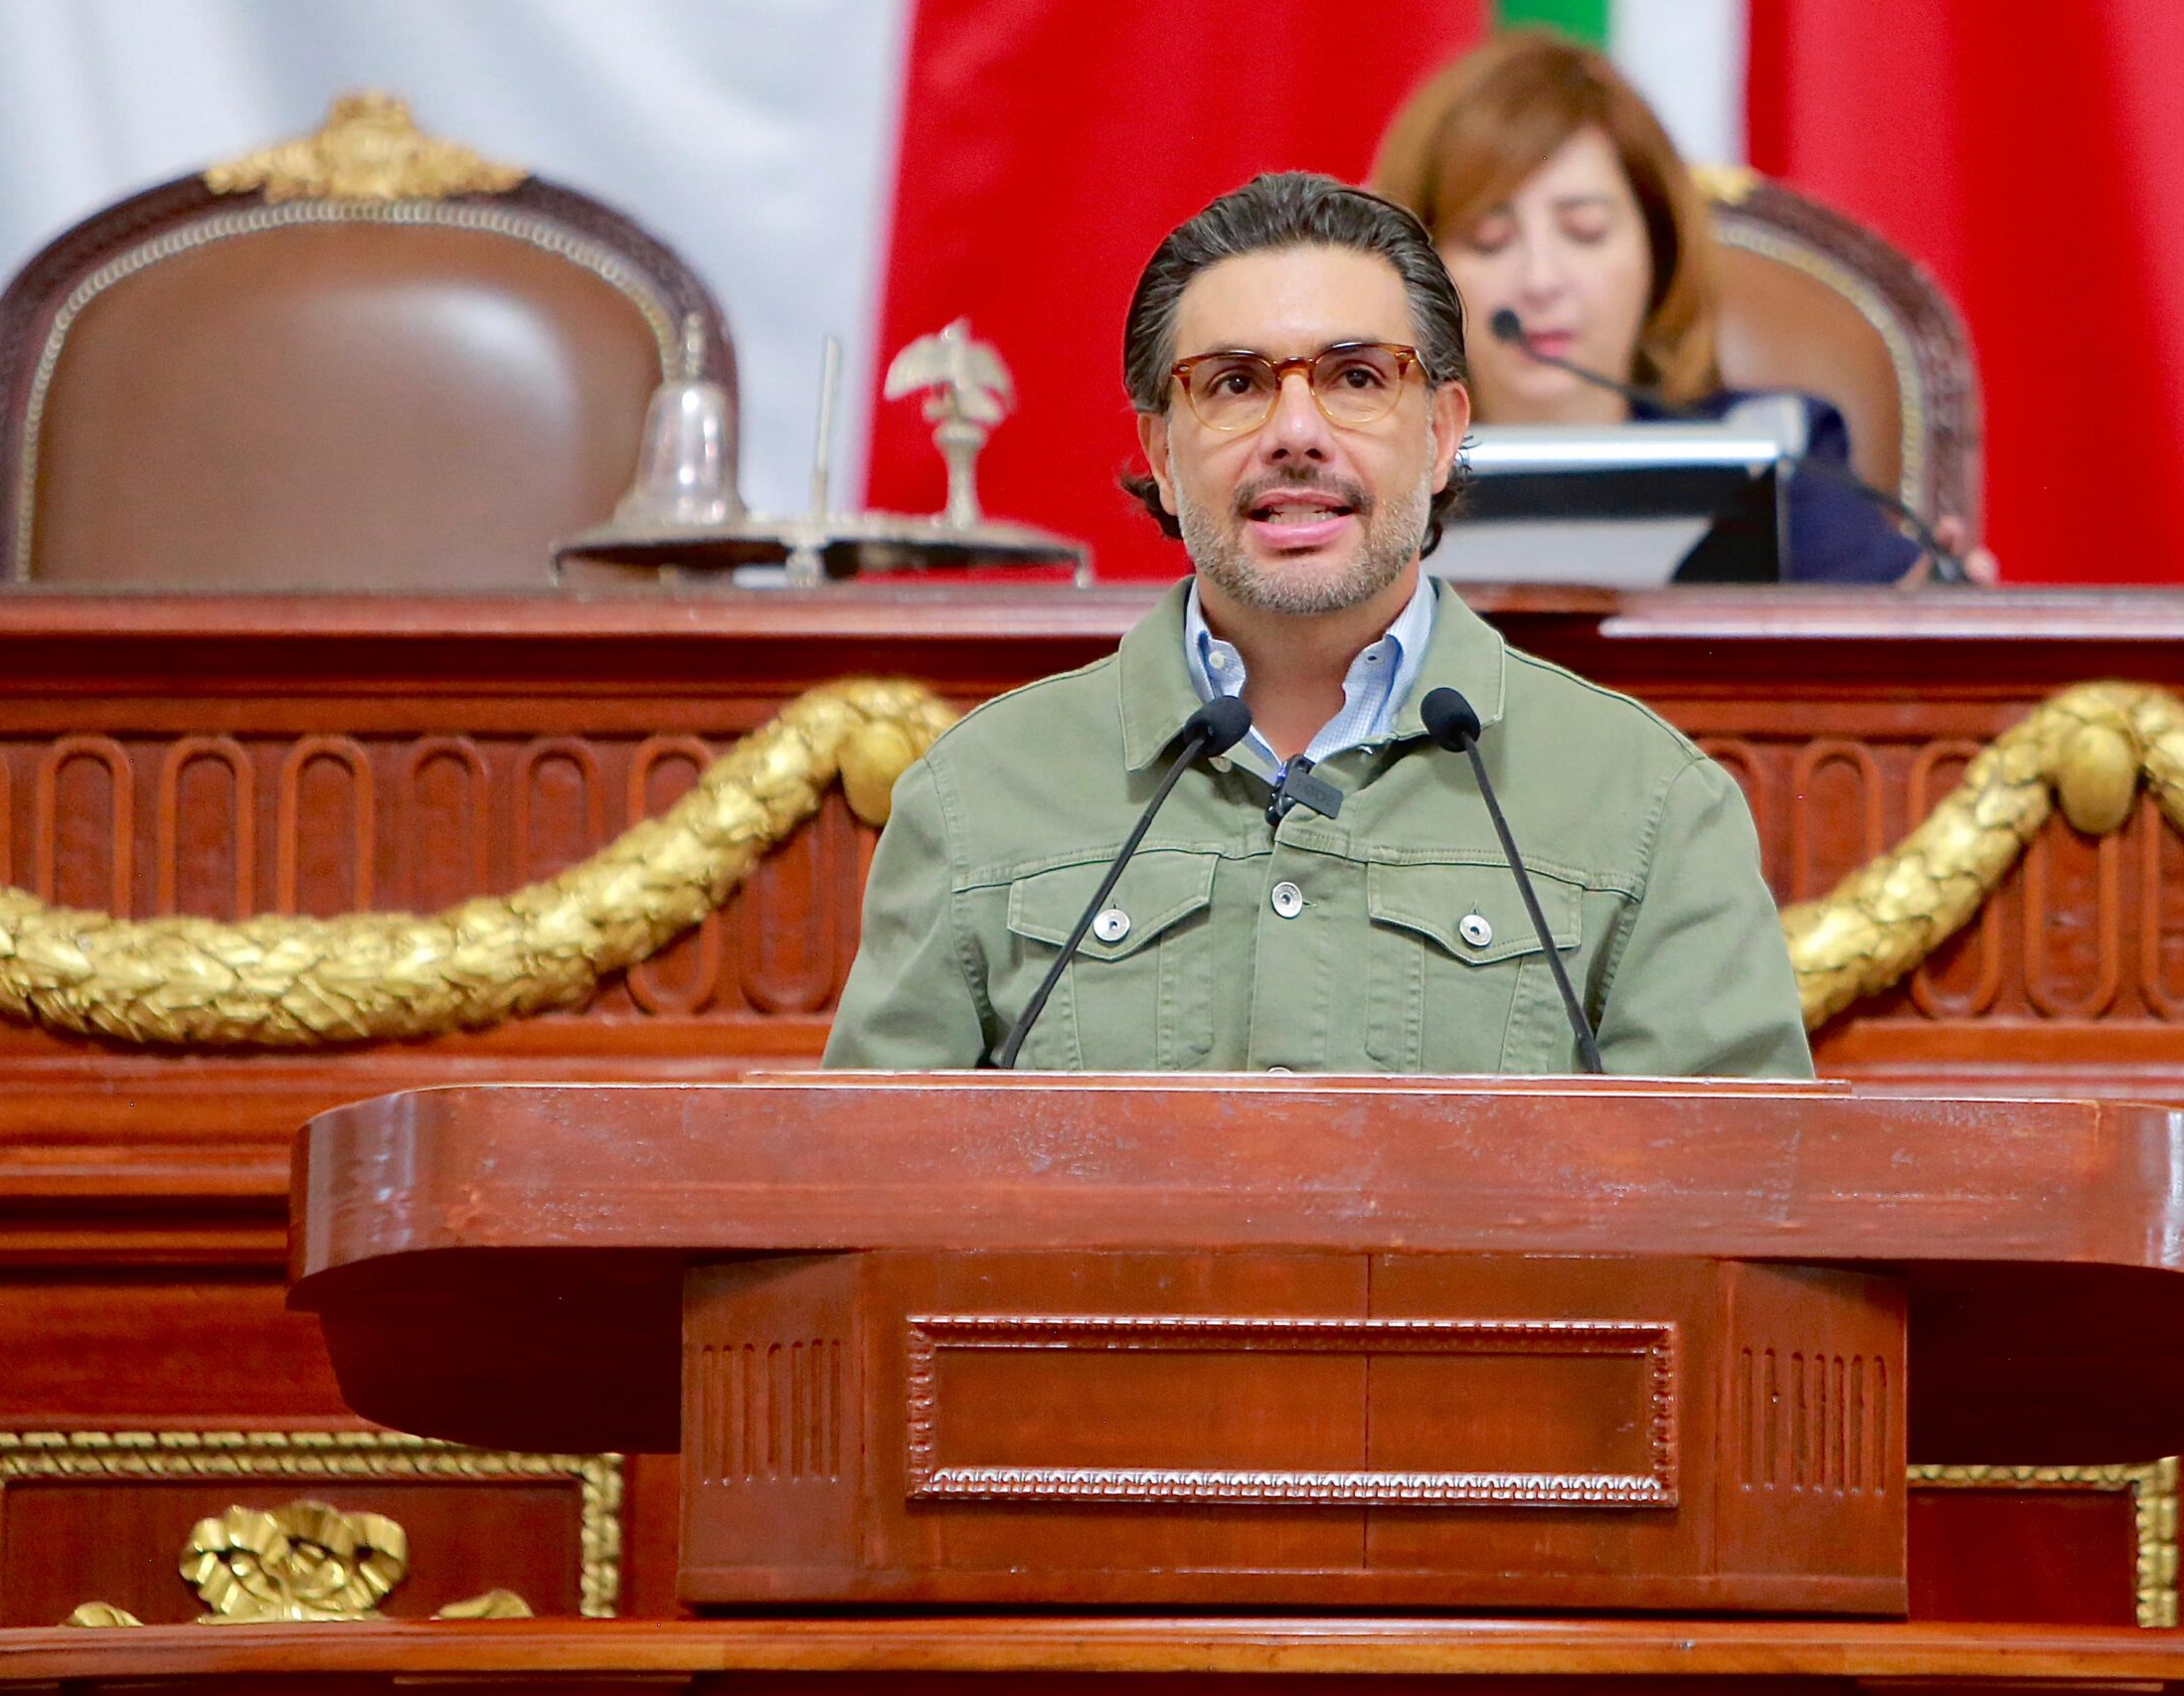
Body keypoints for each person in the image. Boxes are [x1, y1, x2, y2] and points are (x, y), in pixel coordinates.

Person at [823, 171, 1811, 1079]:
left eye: (1356, 378)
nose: (1296, 433)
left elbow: (1740, 1191)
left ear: (1441, 433)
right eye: (1236, 384)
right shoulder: (975, 797)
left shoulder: (1650, 805)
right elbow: (866, 1189)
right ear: (1161, 454)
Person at [1370, 30, 1988, 585]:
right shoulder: (1367, 469)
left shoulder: (1770, 453)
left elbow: (1897, 633)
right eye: (1489, 240)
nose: (1540, 280)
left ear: (1656, 251)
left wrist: (1943, 614)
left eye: (1585, 232)